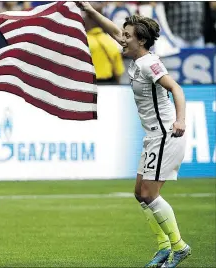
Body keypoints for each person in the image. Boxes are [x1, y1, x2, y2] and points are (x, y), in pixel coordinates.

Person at [77, 2, 191, 268]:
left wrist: (181, 119)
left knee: (150, 194)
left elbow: (176, 88)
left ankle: (179, 247)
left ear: (141, 41)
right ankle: (164, 247)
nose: (122, 39)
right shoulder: (138, 56)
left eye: (127, 36)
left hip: (165, 135)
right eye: (124, 35)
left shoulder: (150, 64)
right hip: (153, 136)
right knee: (140, 193)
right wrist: (90, 11)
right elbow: (111, 30)